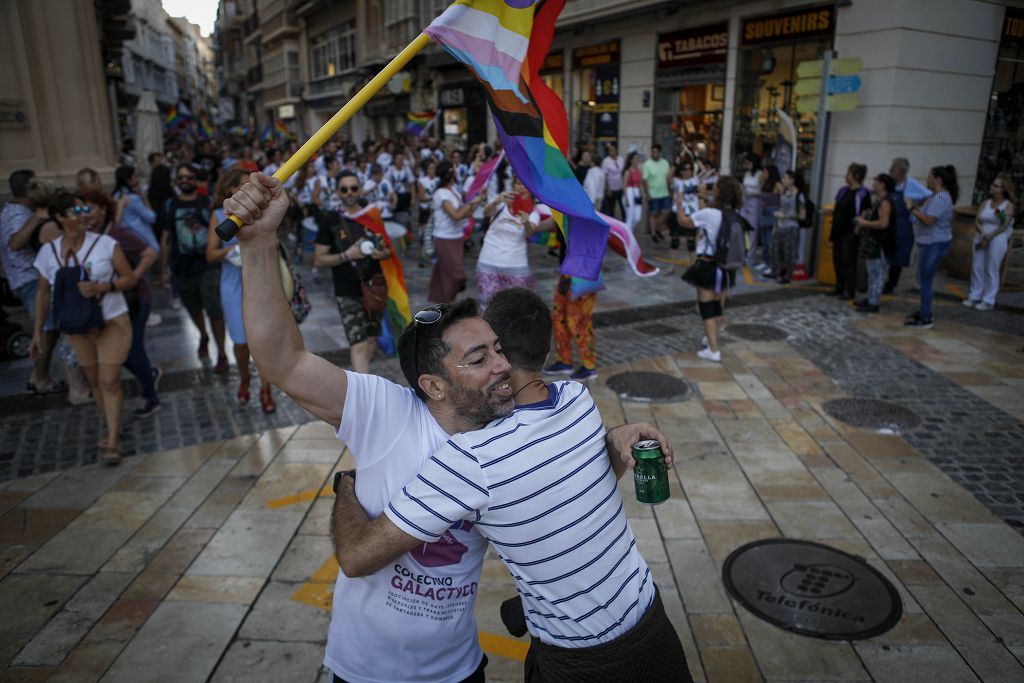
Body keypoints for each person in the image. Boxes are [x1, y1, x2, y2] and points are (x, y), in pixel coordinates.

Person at [222, 171, 670, 683]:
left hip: (460, 666)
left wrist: (613, 443)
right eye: (479, 358)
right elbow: (282, 361)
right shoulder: (385, 411)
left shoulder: (512, 424)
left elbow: (562, 484)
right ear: (433, 386)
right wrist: (258, 243)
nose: (503, 366)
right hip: (368, 671)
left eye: (498, 349)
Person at [333, 288, 691, 682]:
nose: (494, 361)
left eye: (491, 349)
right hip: (651, 622)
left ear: (504, 354)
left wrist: (346, 486)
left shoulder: (473, 457)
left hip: (576, 661)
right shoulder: (577, 401)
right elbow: (579, 475)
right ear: (548, 349)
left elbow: (355, 558)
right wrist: (617, 434)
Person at [30, 192, 137, 464]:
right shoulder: (48, 252)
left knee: (108, 380)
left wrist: (104, 287)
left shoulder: (105, 244)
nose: (83, 214)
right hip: (76, 327)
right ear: (59, 217)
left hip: (111, 320)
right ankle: (113, 424)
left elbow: (129, 278)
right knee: (93, 381)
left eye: (84, 209)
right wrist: (38, 331)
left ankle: (112, 439)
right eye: (75, 210)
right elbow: (43, 294)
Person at [81, 187, 162, 416]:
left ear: (104, 209)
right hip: (110, 302)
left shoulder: (117, 233)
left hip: (135, 299)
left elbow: (150, 254)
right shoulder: (88, 237)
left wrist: (132, 278)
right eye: (82, 209)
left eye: (91, 209)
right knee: (121, 352)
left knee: (132, 349)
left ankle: (150, 396)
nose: (86, 214)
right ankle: (148, 376)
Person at [207, 168, 276, 412]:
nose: (251, 191)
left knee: (265, 339)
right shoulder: (219, 215)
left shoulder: (264, 212)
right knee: (240, 339)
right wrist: (231, 252)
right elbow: (210, 253)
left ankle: (266, 389)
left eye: (253, 186)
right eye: (244, 186)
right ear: (230, 190)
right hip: (233, 283)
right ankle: (245, 376)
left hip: (262, 279)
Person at [313, 170, 392, 374]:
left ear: (360, 190)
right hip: (346, 290)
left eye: (354, 188)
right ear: (337, 192)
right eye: (344, 189)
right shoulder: (330, 221)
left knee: (371, 339)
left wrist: (379, 253)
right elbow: (319, 259)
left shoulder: (372, 216)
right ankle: (363, 397)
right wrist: (346, 256)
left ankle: (361, 381)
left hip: (374, 287)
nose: (350, 193)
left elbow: (387, 251)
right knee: (357, 344)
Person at [160, 163, 229, 372]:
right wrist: (164, 268)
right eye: (181, 178)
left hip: (208, 266)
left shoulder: (206, 203)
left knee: (215, 310)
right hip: (182, 267)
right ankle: (203, 334)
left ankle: (222, 353)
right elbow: (166, 238)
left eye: (188, 177)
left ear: (196, 180)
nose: (184, 181)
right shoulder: (170, 205)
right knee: (193, 308)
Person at [2, 170, 62, 394]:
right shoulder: (20, 215)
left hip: (31, 279)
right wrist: (37, 218)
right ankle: (43, 379)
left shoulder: (14, 210)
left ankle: (37, 375)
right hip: (30, 279)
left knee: (50, 329)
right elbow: (15, 243)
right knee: (45, 330)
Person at [677, 176, 744, 363]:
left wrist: (680, 202)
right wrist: (703, 198)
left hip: (708, 266)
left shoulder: (709, 213)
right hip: (726, 267)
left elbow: (684, 221)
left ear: (719, 192)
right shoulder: (734, 213)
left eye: (714, 187)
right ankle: (711, 338)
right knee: (716, 307)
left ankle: (713, 350)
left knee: (706, 308)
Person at [905, 165, 958, 330]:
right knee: (923, 280)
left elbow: (929, 220)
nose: (926, 180)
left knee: (926, 281)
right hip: (929, 242)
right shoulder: (935, 196)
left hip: (934, 243)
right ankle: (924, 311)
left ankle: (926, 318)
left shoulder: (941, 197)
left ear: (938, 180)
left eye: (929, 177)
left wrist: (911, 208)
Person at [475, 177, 539, 307]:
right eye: (518, 184)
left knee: (516, 307)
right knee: (489, 306)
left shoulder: (533, 212)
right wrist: (496, 201)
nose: (520, 187)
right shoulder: (501, 203)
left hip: (516, 266)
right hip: (488, 262)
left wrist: (526, 221)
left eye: (524, 185)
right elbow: (486, 213)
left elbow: (529, 233)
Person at [428, 160, 483, 303]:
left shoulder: (454, 192)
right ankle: (449, 303)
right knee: (456, 276)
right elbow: (456, 215)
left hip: (456, 236)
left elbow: (464, 213)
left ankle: (445, 304)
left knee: (444, 274)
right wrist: (471, 203)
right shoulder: (441, 194)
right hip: (444, 238)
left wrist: (477, 201)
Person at [964, 173, 1015, 311]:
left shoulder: (1006, 205)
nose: (991, 187)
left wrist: (991, 236)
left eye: (995, 185)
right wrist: (982, 233)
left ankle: (988, 299)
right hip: (982, 235)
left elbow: (1004, 223)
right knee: (977, 266)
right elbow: (977, 219)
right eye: (992, 184)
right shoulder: (986, 203)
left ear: (1003, 189)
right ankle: (975, 295)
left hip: (997, 238)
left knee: (991, 268)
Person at [885, 157, 931, 293]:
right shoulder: (890, 183)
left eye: (892, 168)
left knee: (898, 254)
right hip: (889, 221)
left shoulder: (910, 184)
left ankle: (891, 284)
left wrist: (916, 206)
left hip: (903, 224)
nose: (890, 170)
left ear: (899, 171)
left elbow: (929, 195)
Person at [852, 174, 897, 313]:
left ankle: (873, 303)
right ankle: (871, 298)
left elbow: (884, 223)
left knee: (877, 274)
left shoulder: (885, 201)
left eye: (876, 181)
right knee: (872, 273)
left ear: (882, 184)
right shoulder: (878, 200)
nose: (873, 183)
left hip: (880, 244)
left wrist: (865, 223)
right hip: (873, 243)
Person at [830, 163, 870, 299]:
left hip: (850, 230)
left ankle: (849, 289)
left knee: (849, 260)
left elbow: (865, 210)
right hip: (837, 230)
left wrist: (858, 227)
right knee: (837, 258)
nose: (846, 176)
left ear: (856, 176)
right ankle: (839, 286)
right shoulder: (843, 190)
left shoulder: (863, 192)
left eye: (849, 173)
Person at [768, 170, 806, 285]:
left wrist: (785, 216)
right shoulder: (784, 192)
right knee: (775, 250)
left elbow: (802, 216)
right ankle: (776, 271)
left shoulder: (799, 195)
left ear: (792, 180)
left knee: (789, 252)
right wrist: (777, 223)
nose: (783, 180)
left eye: (785, 178)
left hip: (791, 227)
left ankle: (787, 275)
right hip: (780, 226)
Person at [112, 165, 160, 252]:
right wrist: (145, 198)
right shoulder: (133, 198)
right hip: (142, 237)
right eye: (135, 176)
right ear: (128, 180)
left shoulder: (116, 196)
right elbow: (151, 217)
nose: (138, 178)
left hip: (128, 238)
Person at [755, 165, 782, 274]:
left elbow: (782, 196)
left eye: (765, 172)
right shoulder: (766, 183)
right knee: (765, 239)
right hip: (765, 210)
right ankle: (765, 261)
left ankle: (772, 264)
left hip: (773, 211)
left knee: (771, 240)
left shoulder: (777, 184)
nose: (763, 174)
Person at [642, 144, 671, 242]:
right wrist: (647, 194)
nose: (654, 154)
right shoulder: (647, 164)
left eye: (656, 152)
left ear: (660, 153)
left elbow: (668, 178)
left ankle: (656, 228)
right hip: (653, 193)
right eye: (652, 152)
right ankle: (654, 233)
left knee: (665, 212)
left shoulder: (665, 163)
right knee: (653, 213)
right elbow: (644, 180)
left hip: (664, 193)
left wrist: (670, 190)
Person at [740, 155, 764, 265]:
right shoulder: (746, 173)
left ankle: (751, 257)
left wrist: (752, 193)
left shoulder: (760, 174)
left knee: (753, 231)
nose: (747, 165)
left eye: (748, 162)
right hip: (745, 202)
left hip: (755, 202)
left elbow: (763, 191)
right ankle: (743, 254)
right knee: (743, 229)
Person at [600, 141, 625, 218]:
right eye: (610, 150)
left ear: (616, 150)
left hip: (620, 188)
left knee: (623, 207)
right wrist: (607, 188)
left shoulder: (621, 159)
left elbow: (624, 173)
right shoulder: (606, 161)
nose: (611, 152)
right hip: (611, 189)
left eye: (613, 150)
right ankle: (612, 227)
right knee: (611, 208)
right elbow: (605, 176)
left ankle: (624, 223)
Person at [622, 151, 644, 232]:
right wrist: (626, 198)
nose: (637, 160)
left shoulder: (639, 171)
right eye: (635, 158)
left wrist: (642, 194)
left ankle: (627, 231)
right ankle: (629, 236)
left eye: (638, 158)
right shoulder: (628, 171)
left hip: (637, 192)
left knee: (637, 218)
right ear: (631, 160)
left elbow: (640, 184)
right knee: (630, 217)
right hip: (629, 192)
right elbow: (624, 186)